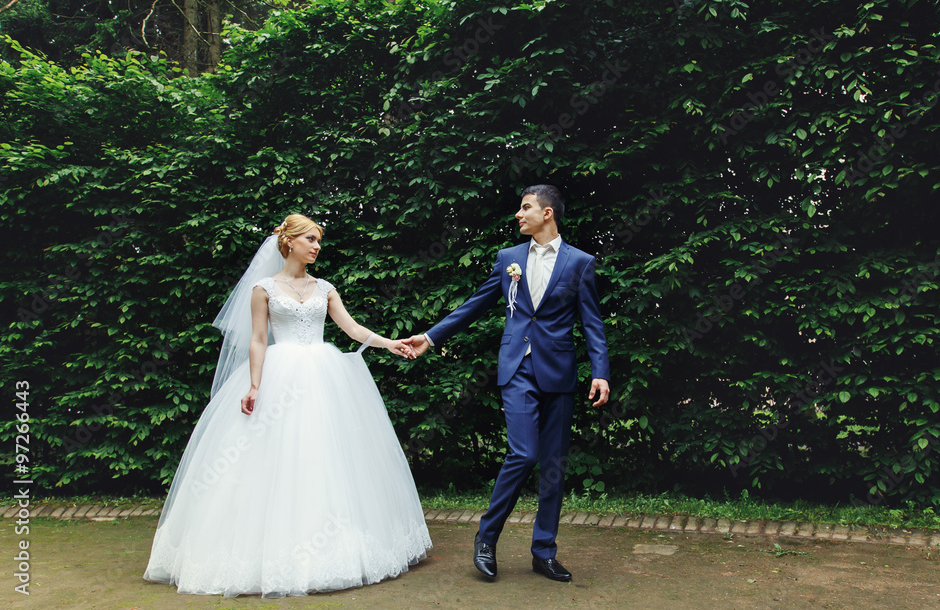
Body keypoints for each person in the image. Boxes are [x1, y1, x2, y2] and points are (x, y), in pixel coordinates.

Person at [144, 214, 431, 598]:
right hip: (280, 378)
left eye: (318, 241)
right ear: (289, 242)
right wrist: (254, 385)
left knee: (324, 457)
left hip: (323, 376)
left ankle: (331, 549)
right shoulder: (263, 289)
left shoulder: (325, 288)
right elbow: (259, 340)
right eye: (310, 239)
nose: (316, 246)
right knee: (268, 462)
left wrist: (391, 343)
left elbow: (352, 329)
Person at [403, 185, 610, 583]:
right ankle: (486, 536)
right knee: (524, 453)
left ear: (547, 213)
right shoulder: (508, 259)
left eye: (526, 207)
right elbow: (474, 304)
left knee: (553, 466)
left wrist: (600, 371)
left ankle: (543, 552)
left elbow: (592, 321)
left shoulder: (580, 262)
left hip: (560, 373)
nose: (519, 214)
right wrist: (429, 338)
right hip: (517, 369)